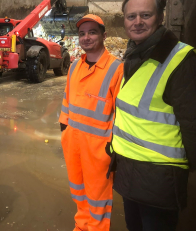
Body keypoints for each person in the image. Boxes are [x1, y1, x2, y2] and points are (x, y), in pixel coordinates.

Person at [109, 0, 196, 231]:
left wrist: (186, 168)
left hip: (160, 180)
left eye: (146, 15)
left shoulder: (181, 61)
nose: (137, 22)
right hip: (129, 171)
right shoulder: (134, 56)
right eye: (131, 16)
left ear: (161, 17)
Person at [59, 14, 123, 231]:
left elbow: (122, 113)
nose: (86, 37)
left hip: (99, 148)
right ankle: (81, 226)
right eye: (82, 33)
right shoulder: (74, 66)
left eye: (92, 32)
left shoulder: (116, 69)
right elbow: (67, 100)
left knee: (97, 199)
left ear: (104, 35)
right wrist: (64, 127)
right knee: (79, 193)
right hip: (73, 144)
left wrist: (114, 148)